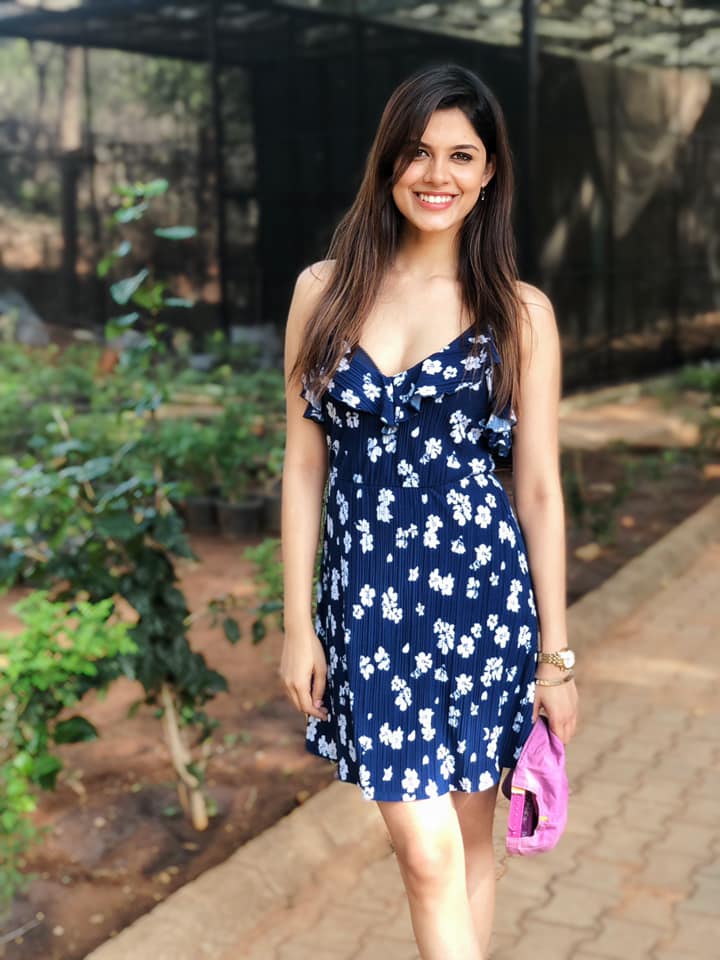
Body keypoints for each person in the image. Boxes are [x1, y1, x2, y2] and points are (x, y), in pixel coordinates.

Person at [280, 63, 579, 960]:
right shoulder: (322, 291)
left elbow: (539, 490)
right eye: (417, 152)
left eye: (461, 155)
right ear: (388, 163)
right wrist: (297, 625)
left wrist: (556, 658)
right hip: (368, 611)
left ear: (489, 173)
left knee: (468, 845)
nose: (436, 174)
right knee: (427, 852)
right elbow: (303, 467)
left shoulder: (520, 313)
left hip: (484, 610)